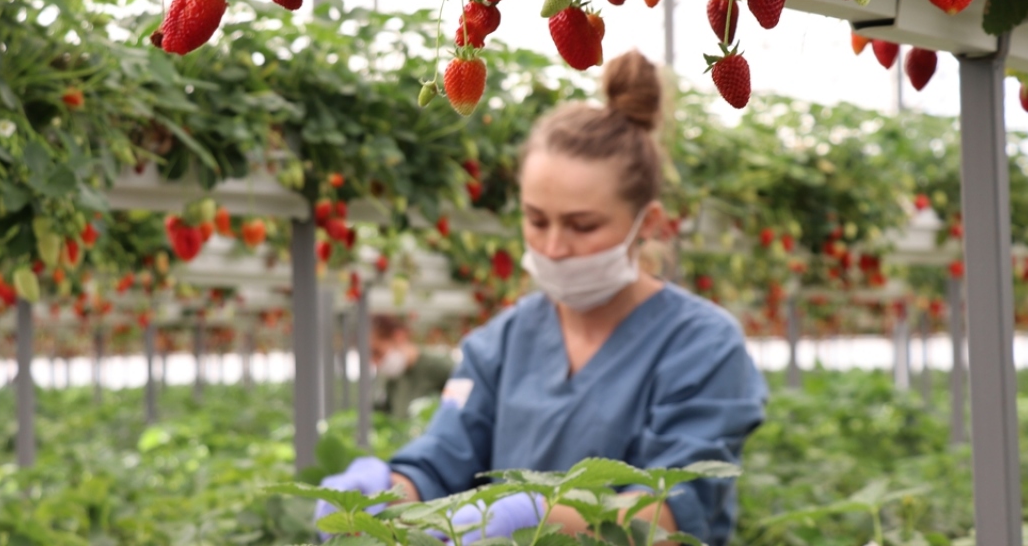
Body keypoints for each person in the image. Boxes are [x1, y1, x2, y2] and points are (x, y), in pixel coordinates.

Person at [315, 52, 768, 546]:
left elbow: (671, 511)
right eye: (536, 220)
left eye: (582, 225)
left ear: (650, 223)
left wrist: (538, 515)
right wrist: (381, 494)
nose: (553, 247)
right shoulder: (502, 342)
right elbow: (443, 461)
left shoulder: (702, 345)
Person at [370, 314, 453, 420]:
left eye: (377, 352)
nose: (375, 361)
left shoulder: (438, 367)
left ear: (398, 337)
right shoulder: (394, 378)